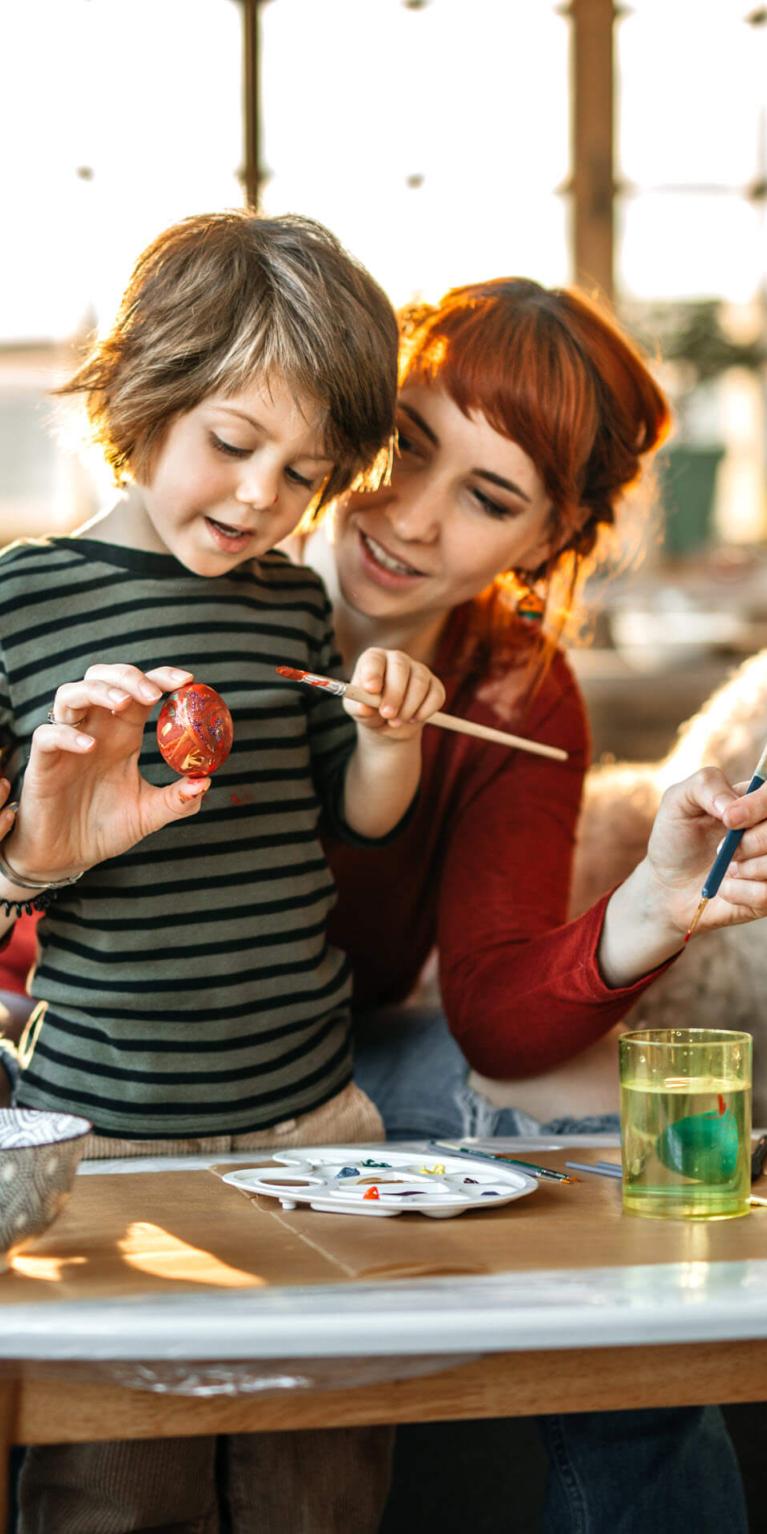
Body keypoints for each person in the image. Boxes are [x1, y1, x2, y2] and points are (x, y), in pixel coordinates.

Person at [288, 277, 763, 1532]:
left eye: (486, 499)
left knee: (618, 1118)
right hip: (118, 1050)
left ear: (544, 543)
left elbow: (497, 1014)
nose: (407, 516)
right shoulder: (199, 557)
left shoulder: (513, 690)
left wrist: (652, 906)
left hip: (341, 1046)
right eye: (403, 444)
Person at [0, 209, 445, 1534]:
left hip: (309, 1119)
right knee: (118, 1487)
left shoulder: (288, 602)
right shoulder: (24, 600)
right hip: (110, 1134)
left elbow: (358, 817)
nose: (261, 499)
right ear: (140, 400)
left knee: (319, 1484)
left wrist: (386, 736)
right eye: (232, 444)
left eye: (302, 473)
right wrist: (35, 844)